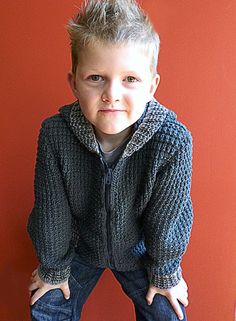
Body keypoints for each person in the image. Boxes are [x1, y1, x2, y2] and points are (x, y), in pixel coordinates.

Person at [27, 0, 193, 320]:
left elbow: (168, 220)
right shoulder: (55, 134)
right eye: (95, 78)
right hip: (79, 247)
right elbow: (52, 212)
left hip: (139, 251)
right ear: (74, 82)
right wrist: (52, 268)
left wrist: (165, 272)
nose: (112, 93)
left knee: (169, 313)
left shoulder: (172, 140)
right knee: (45, 307)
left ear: (151, 86)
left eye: (130, 79)